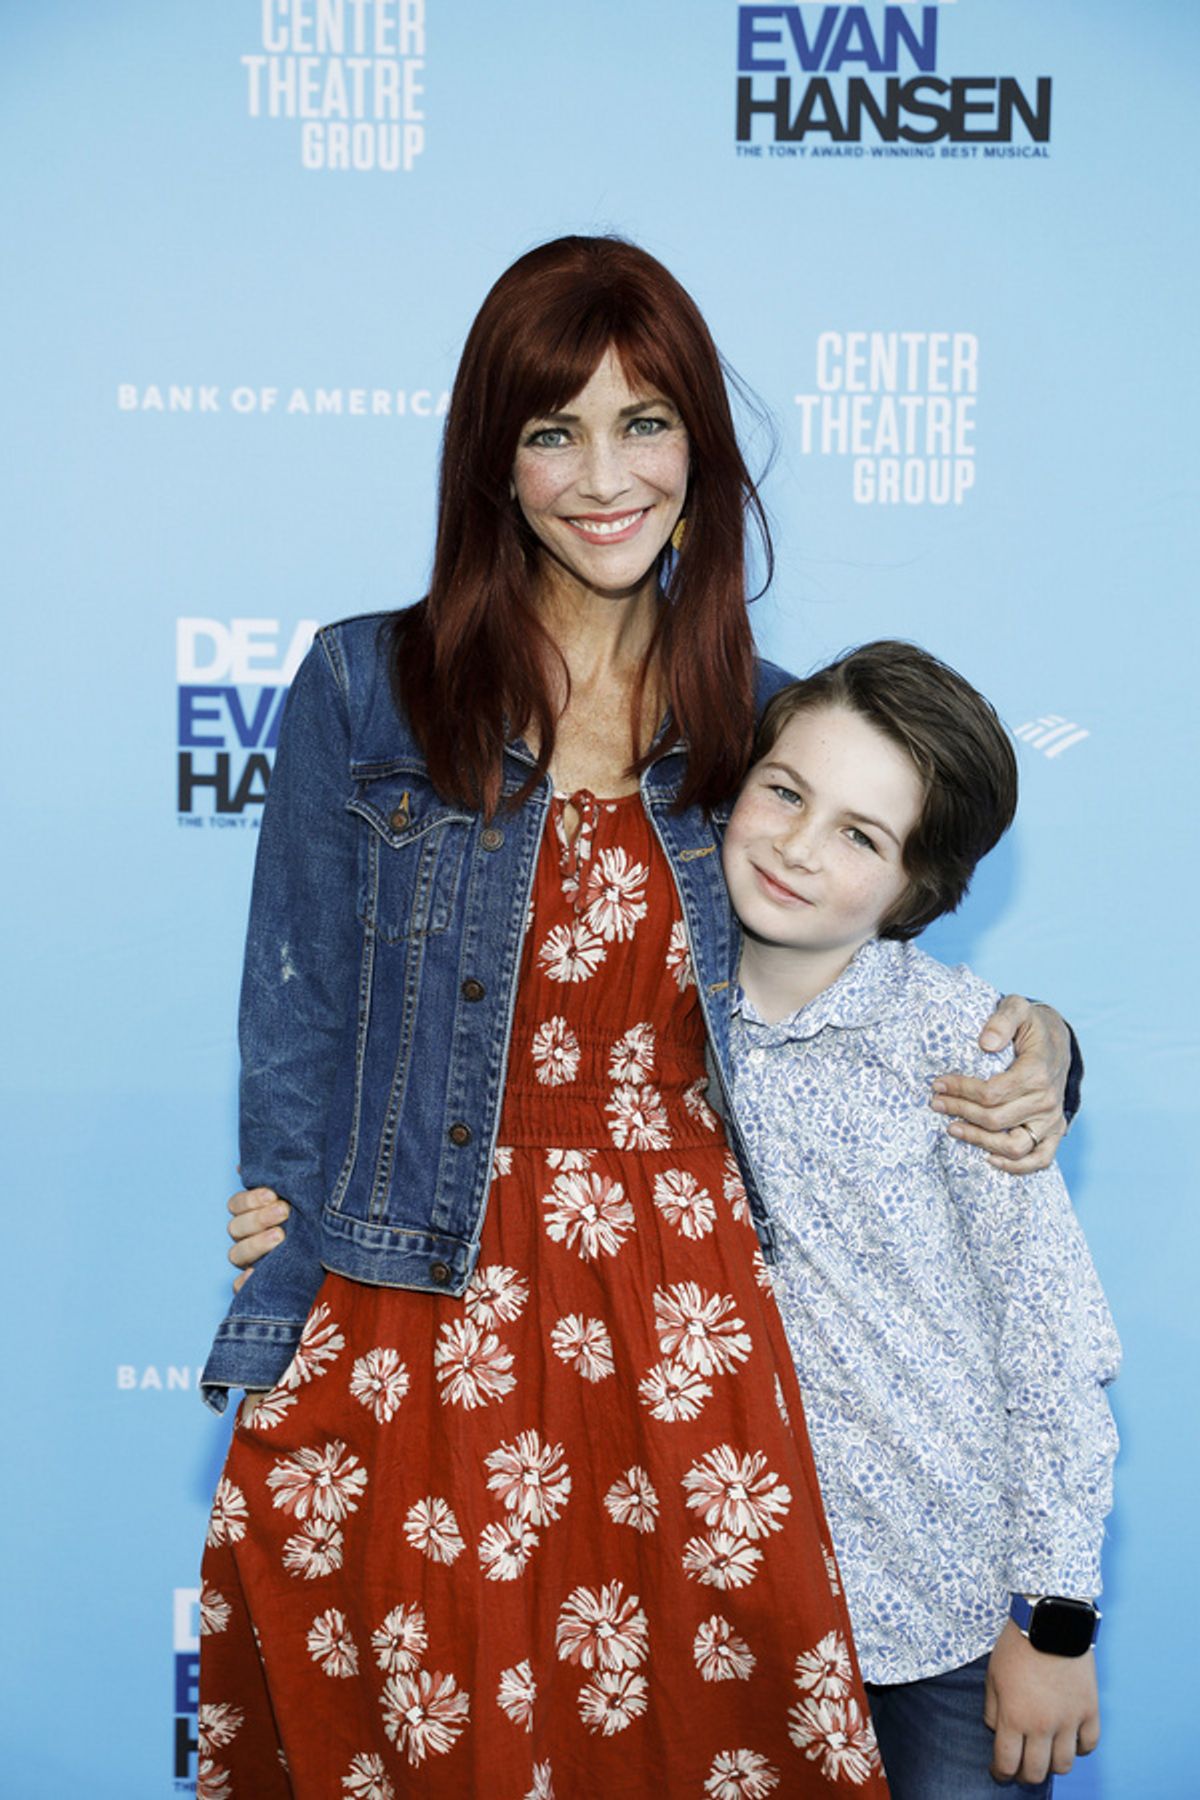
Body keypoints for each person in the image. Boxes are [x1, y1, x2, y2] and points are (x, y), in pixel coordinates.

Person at [199, 235, 1075, 1799]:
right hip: (422, 1294)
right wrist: (289, 1269)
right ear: (495, 462)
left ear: (703, 450)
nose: (604, 475)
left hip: (697, 1321)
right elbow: (299, 1012)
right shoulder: (362, 688)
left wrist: (1054, 1049)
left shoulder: (769, 718)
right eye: (553, 431)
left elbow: (884, 974)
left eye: (645, 422)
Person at [719, 641, 1120, 1800]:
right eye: (785, 792)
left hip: (942, 1626)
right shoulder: (646, 1021)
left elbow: (1051, 1347)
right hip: (719, 1610)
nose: (797, 846)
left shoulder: (967, 1054)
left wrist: (1052, 1625)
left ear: (918, 887)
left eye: (862, 834)